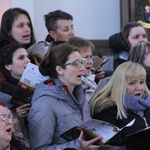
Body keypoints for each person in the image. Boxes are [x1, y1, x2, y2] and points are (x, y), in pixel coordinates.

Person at [28, 43, 101, 150]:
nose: (82, 68)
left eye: (82, 62)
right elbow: (39, 149)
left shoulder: (81, 96)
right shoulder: (43, 104)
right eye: (76, 63)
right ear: (60, 70)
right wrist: (77, 146)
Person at [90, 61, 150, 150]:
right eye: (132, 83)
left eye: (142, 82)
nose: (139, 87)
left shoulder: (147, 106)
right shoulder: (108, 111)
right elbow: (108, 146)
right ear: (119, 84)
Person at [67, 36, 105, 102]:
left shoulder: (90, 76)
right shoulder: (72, 81)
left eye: (91, 57)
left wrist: (97, 80)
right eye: (86, 58)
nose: (90, 62)